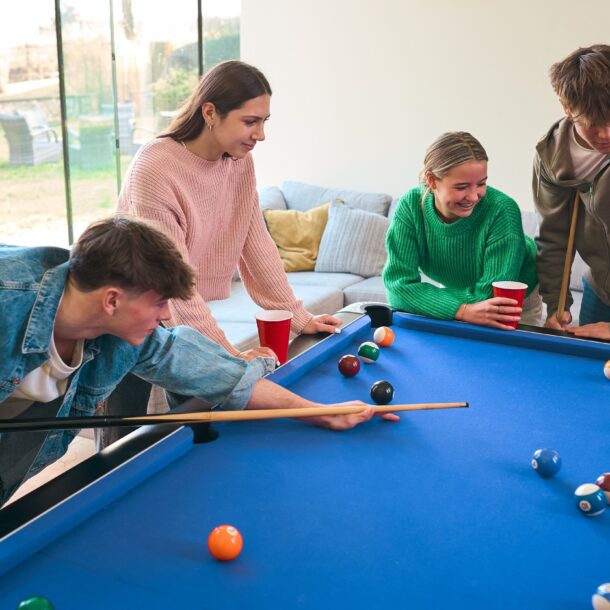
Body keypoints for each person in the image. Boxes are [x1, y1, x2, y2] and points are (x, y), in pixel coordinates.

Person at [0, 216, 398, 505]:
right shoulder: (8, 303)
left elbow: (222, 377)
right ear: (112, 300)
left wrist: (324, 412)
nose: (164, 315)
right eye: (158, 303)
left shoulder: (130, 337)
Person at [117, 60, 341, 361]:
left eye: (264, 121)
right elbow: (171, 281)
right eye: (250, 122)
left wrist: (298, 317)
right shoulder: (155, 169)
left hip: (167, 309)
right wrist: (228, 355)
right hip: (128, 318)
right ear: (210, 112)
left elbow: (258, 246)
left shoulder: (239, 163)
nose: (260, 134)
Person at [383, 132, 541, 329]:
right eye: (462, 187)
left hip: (512, 296)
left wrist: (432, 301)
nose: (474, 196)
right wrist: (460, 309)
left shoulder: (503, 211)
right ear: (432, 180)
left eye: (481, 184)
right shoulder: (410, 206)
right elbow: (397, 289)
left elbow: (490, 298)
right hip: (458, 291)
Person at [533, 44, 610, 334]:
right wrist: (556, 304)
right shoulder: (553, 154)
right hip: (600, 289)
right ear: (567, 109)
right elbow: (554, 236)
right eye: (592, 124)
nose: (605, 135)